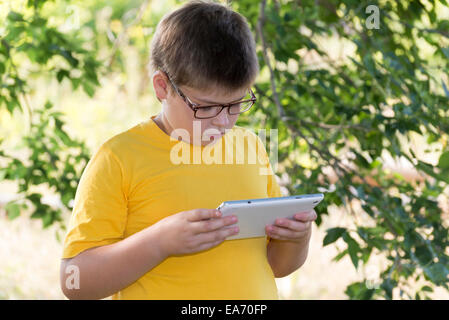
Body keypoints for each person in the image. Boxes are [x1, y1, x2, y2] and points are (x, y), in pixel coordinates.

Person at [60, 0, 317, 300]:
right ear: (161, 87)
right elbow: (75, 283)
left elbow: (276, 265)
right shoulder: (119, 158)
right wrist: (159, 243)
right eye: (205, 107)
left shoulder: (250, 147)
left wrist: (297, 239)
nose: (223, 122)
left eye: (235, 105)